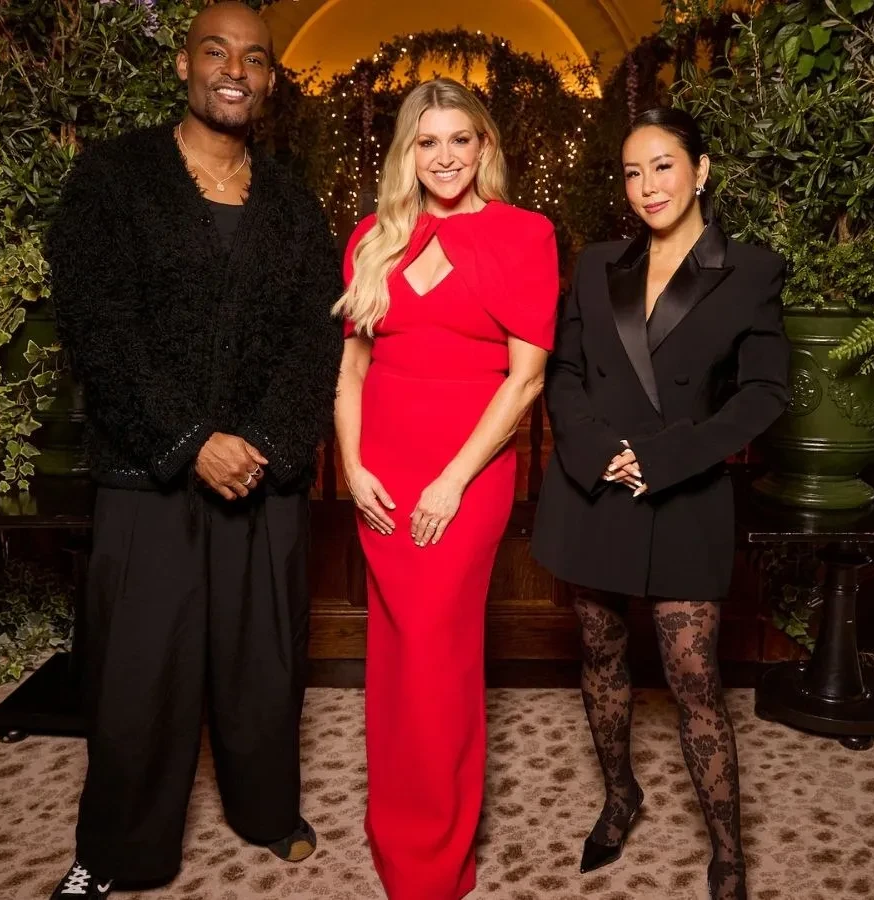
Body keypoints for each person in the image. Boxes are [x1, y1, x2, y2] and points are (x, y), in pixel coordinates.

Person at [42, 3, 343, 897]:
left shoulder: (291, 201)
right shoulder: (114, 177)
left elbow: (313, 340)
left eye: (254, 58)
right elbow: (99, 326)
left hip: (261, 473)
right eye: (217, 51)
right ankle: (118, 852)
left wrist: (257, 442)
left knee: (264, 666)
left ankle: (266, 811)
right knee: (140, 677)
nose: (234, 70)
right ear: (185, 64)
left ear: (271, 80)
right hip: (149, 474)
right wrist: (189, 441)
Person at [531, 107, 790, 900]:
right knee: (603, 657)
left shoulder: (750, 269)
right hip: (596, 487)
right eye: (634, 171)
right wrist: (592, 452)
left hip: (682, 491)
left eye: (665, 166)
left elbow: (764, 394)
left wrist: (666, 456)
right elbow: (564, 374)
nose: (648, 186)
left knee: (693, 677)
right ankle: (620, 799)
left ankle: (728, 853)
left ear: (702, 170)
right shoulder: (595, 264)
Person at [334, 78, 559, 900]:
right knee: (393, 656)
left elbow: (527, 381)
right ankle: (396, 837)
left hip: (463, 479)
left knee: (436, 656)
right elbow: (352, 370)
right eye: (427, 142)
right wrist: (355, 469)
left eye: (459, 139)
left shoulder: (525, 235)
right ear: (407, 152)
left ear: (485, 146)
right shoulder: (374, 235)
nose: (444, 158)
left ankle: (436, 863)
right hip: (382, 477)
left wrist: (450, 482)